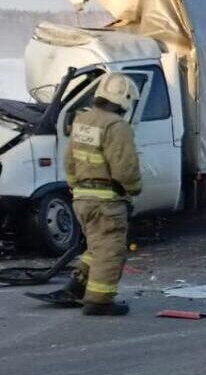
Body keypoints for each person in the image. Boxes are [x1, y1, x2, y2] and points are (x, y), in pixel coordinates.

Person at [28, 73, 142, 316]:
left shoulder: (83, 121)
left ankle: (76, 287)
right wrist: (133, 189)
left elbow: (69, 161)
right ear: (124, 99)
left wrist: (76, 187)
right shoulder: (116, 126)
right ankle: (99, 300)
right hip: (107, 202)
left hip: (82, 200)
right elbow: (125, 167)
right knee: (111, 250)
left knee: (96, 246)